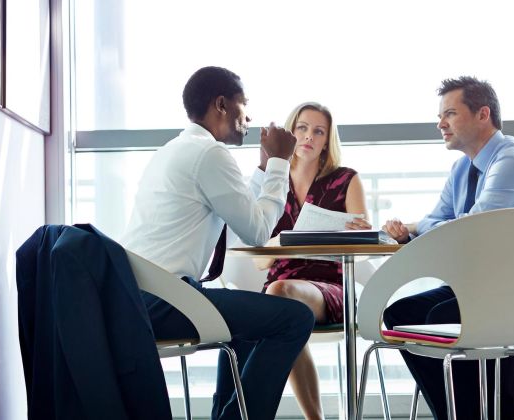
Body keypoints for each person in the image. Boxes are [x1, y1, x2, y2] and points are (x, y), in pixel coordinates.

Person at [121, 66, 315, 420]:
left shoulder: (179, 149)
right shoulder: (208, 154)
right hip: (166, 301)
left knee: (249, 324)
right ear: (222, 104)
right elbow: (257, 232)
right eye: (244, 104)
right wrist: (280, 162)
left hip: (142, 298)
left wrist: (264, 169)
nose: (249, 116)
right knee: (295, 319)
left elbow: (242, 220)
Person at [382, 76, 514, 419]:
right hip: (481, 287)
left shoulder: (509, 162)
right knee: (400, 316)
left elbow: (466, 232)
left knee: (440, 318)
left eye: (450, 113)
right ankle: (474, 414)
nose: (441, 124)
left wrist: (422, 228)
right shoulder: (462, 167)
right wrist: (414, 230)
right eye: (440, 115)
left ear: (483, 114)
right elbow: (438, 222)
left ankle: (496, 412)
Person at [254, 102, 370, 420]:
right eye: (302, 128)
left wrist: (354, 231)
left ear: (327, 139)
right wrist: (281, 243)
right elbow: (258, 262)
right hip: (281, 282)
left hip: (331, 286)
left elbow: (362, 246)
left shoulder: (346, 180)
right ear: (291, 133)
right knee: (280, 297)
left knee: (279, 298)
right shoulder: (272, 181)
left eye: (318, 131)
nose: (308, 136)